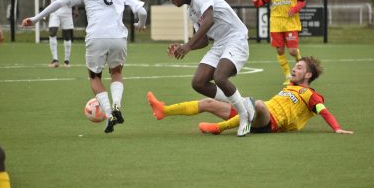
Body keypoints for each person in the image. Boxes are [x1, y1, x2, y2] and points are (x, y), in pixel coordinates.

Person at [22, 0, 147, 133]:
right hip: (118, 37)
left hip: (96, 37)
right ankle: (117, 104)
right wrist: (141, 24)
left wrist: (35, 19)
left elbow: (58, 3)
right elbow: (141, 10)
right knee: (117, 72)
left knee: (95, 77)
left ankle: (109, 113)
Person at [147, 56, 354, 135]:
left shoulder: (310, 95)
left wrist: (336, 128)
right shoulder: (289, 87)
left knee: (260, 104)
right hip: (250, 115)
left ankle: (218, 129)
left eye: (299, 68)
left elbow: (322, 111)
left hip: (268, 123)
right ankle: (163, 110)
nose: (294, 69)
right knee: (208, 102)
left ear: (308, 75)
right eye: (295, 66)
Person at [165, 0, 254, 137]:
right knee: (198, 82)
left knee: (220, 77)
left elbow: (209, 21)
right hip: (220, 43)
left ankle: (244, 117)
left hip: (236, 38)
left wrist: (188, 45)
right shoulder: (191, 11)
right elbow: (204, 40)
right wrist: (183, 47)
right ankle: (244, 103)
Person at [252, 0, 306, 85]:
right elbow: (261, 2)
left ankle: (301, 67)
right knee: (280, 51)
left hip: (290, 22)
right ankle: (288, 76)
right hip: (276, 23)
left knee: (292, 51)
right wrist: (256, 1)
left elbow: (302, 0)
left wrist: (294, 9)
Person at [44, 0, 79, 68]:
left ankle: (66, 61)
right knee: (52, 32)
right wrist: (45, 13)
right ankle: (55, 59)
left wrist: (76, 9)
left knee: (67, 35)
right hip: (54, 11)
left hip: (67, 11)